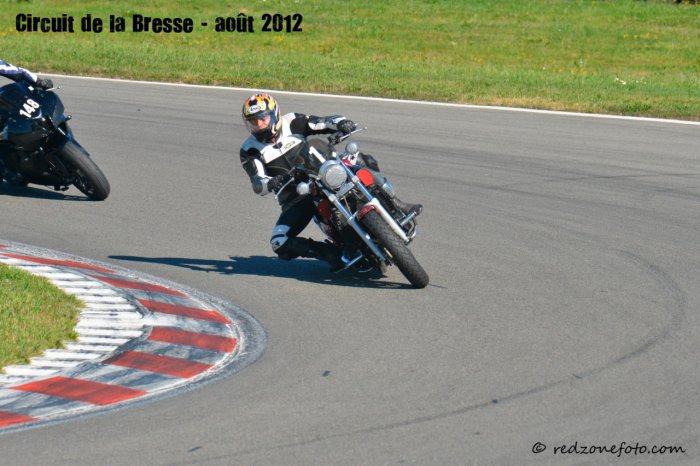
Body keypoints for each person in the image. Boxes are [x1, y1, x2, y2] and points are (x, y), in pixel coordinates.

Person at [239, 92, 422, 271]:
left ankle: (397, 204)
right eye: (253, 122)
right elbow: (258, 182)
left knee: (359, 160)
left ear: (274, 114)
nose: (259, 125)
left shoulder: (292, 121)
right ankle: (331, 254)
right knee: (279, 241)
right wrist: (271, 182)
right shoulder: (250, 150)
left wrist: (342, 123)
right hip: (297, 197)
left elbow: (322, 122)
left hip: (323, 171)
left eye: (262, 119)